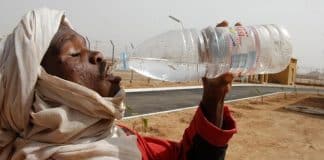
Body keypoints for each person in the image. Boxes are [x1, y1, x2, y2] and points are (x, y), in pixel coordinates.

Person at [0, 8, 237, 160]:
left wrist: (213, 96)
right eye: (73, 53)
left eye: (87, 46)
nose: (97, 55)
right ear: (42, 89)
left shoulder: (111, 137)